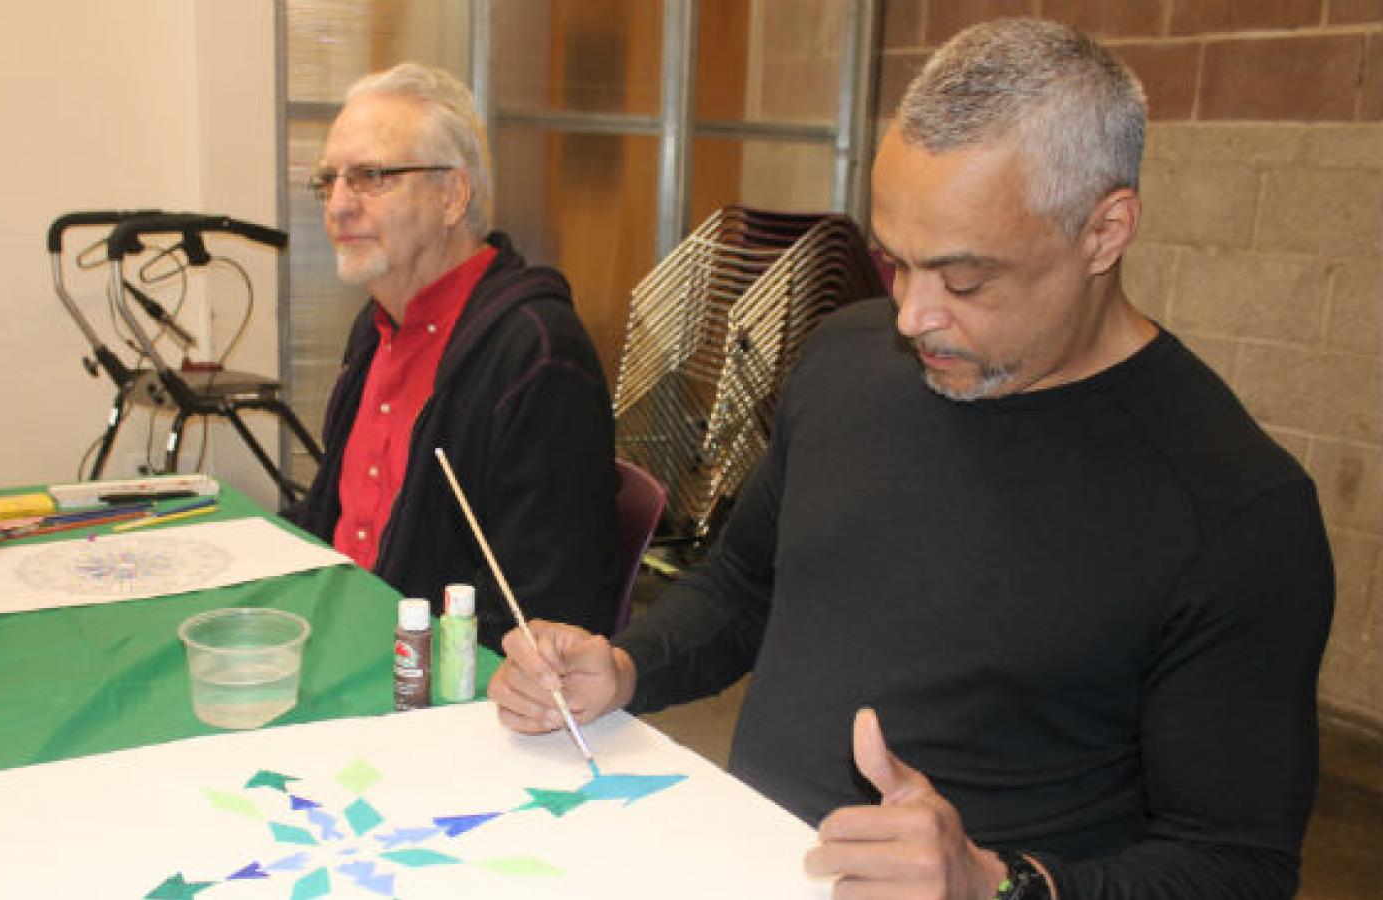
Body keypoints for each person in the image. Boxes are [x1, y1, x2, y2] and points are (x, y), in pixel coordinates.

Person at [489, 18, 1333, 900]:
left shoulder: (1234, 510)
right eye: (895, 264)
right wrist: (629, 665)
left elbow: (1236, 864)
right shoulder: (847, 358)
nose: (912, 317)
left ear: (1104, 231)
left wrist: (999, 886)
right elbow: (746, 585)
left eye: (965, 281)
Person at [285, 63, 617, 647]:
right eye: (329, 180)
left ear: (451, 196)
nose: (337, 205)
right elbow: (332, 519)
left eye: (371, 176)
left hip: (430, 689)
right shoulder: (375, 328)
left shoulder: (537, 354)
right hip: (338, 636)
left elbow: (534, 612)